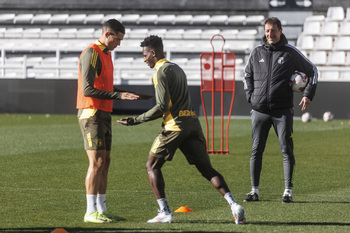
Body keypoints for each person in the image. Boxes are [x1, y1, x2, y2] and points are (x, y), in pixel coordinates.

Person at [117, 35, 246, 224]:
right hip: (192, 124)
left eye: (145, 55)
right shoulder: (177, 68)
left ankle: (165, 212)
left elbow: (161, 106)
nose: (144, 59)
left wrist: (135, 120)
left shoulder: (160, 72)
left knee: (152, 166)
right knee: (207, 169)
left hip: (174, 126)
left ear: (153, 53)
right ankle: (234, 206)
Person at [77, 19, 149, 223]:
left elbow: (105, 86)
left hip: (104, 112)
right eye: (118, 39)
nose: (119, 43)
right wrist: (119, 96)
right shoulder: (92, 52)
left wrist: (127, 93)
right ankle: (90, 212)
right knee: (96, 162)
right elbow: (88, 90)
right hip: (91, 113)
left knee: (105, 162)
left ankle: (102, 209)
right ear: (108, 34)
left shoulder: (106, 54)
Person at [242, 17, 318, 203]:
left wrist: (308, 95)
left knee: (286, 150)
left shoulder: (290, 53)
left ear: (280, 31)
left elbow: (313, 71)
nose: (270, 34)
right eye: (267, 31)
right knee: (256, 150)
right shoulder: (256, 52)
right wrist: (250, 97)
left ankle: (287, 191)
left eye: (273, 30)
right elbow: (246, 75)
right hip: (259, 110)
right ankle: (254, 191)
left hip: (282, 111)